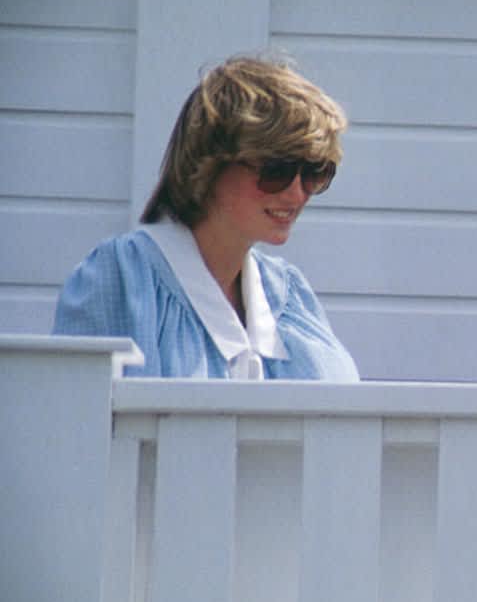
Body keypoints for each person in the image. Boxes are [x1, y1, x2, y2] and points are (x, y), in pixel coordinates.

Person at [52, 55, 359, 380]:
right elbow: (77, 420)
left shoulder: (288, 294)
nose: (297, 194)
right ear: (210, 166)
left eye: (314, 172)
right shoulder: (122, 279)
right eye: (276, 170)